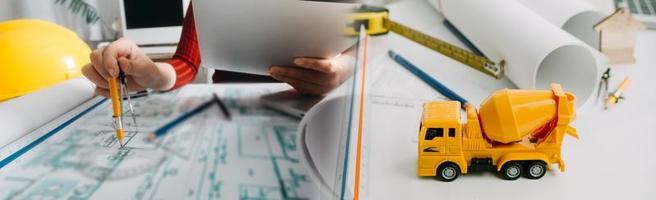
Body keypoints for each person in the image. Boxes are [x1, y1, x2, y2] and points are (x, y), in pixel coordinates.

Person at [82, 5, 352, 97]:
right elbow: (186, 63)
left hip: (319, 114)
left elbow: (370, 47)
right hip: (230, 108)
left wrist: (343, 72)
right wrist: (152, 74)